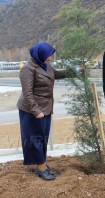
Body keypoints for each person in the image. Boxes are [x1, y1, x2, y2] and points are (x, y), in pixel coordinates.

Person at [17, 42, 68, 180]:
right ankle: (40, 168)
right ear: (39, 55)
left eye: (50, 56)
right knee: (35, 139)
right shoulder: (28, 69)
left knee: (42, 137)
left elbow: (56, 74)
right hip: (32, 110)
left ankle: (41, 164)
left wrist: (75, 70)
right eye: (47, 56)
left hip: (46, 107)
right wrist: (36, 111)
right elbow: (27, 94)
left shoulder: (45, 65)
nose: (50, 58)